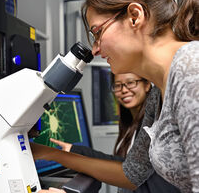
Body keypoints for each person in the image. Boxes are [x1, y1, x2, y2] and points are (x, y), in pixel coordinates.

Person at [31, 0, 199, 192]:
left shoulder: (191, 70)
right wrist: (51, 154)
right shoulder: (158, 92)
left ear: (135, 17)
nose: (95, 49)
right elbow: (133, 173)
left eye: (97, 32)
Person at [42, 73, 180, 193]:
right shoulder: (129, 125)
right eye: (118, 85)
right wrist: (74, 150)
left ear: (147, 85)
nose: (124, 90)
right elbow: (126, 163)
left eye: (131, 83)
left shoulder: (152, 125)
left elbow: (131, 171)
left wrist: (55, 155)